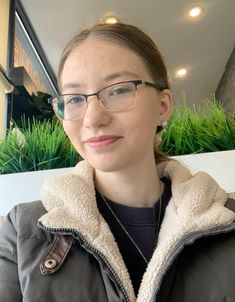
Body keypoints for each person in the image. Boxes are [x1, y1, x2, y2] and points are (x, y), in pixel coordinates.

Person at [0, 21, 235, 302]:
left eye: (119, 90)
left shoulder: (227, 221)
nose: (92, 118)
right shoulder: (22, 230)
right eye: (75, 98)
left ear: (163, 105)